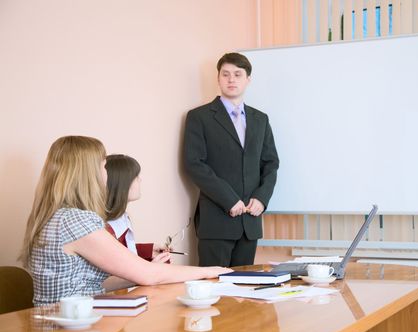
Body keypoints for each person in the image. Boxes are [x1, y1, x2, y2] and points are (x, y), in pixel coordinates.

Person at [20, 136, 231, 305]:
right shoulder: (76, 221)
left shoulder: (56, 215)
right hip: (70, 330)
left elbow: (93, 283)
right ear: (87, 173)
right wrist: (209, 271)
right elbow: (149, 275)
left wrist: (139, 273)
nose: (106, 174)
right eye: (104, 167)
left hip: (61, 323)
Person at [183, 52, 279, 267]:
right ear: (218, 79)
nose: (231, 79)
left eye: (237, 74)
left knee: (244, 292)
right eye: (225, 74)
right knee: (213, 291)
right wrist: (228, 199)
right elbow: (194, 163)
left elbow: (271, 164)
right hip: (216, 221)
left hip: (250, 223)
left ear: (248, 80)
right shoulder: (199, 117)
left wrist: (262, 198)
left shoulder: (260, 119)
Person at [105, 154, 169, 263]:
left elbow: (122, 253)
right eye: (135, 176)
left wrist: (148, 251)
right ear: (122, 183)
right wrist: (151, 268)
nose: (140, 180)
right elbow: (115, 270)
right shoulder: (107, 229)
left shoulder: (122, 217)